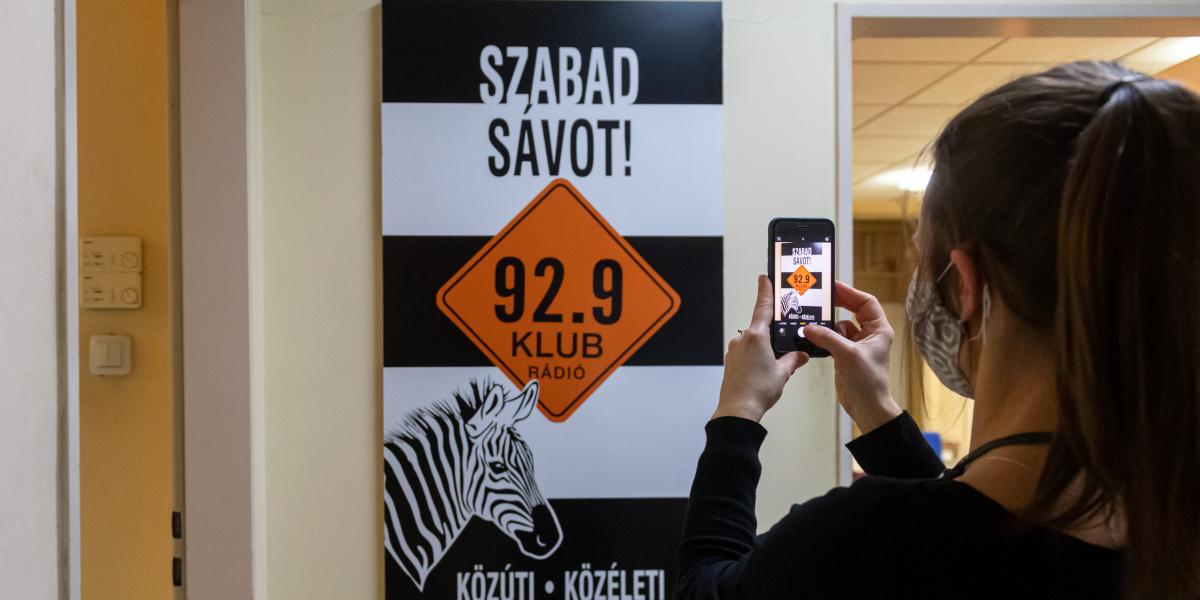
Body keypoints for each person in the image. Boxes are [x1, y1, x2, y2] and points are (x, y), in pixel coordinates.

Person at [676, 61, 1200, 599]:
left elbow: (701, 589)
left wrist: (737, 413)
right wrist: (878, 415)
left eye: (921, 260)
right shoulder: (1171, 534)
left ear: (968, 285)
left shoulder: (857, 545)